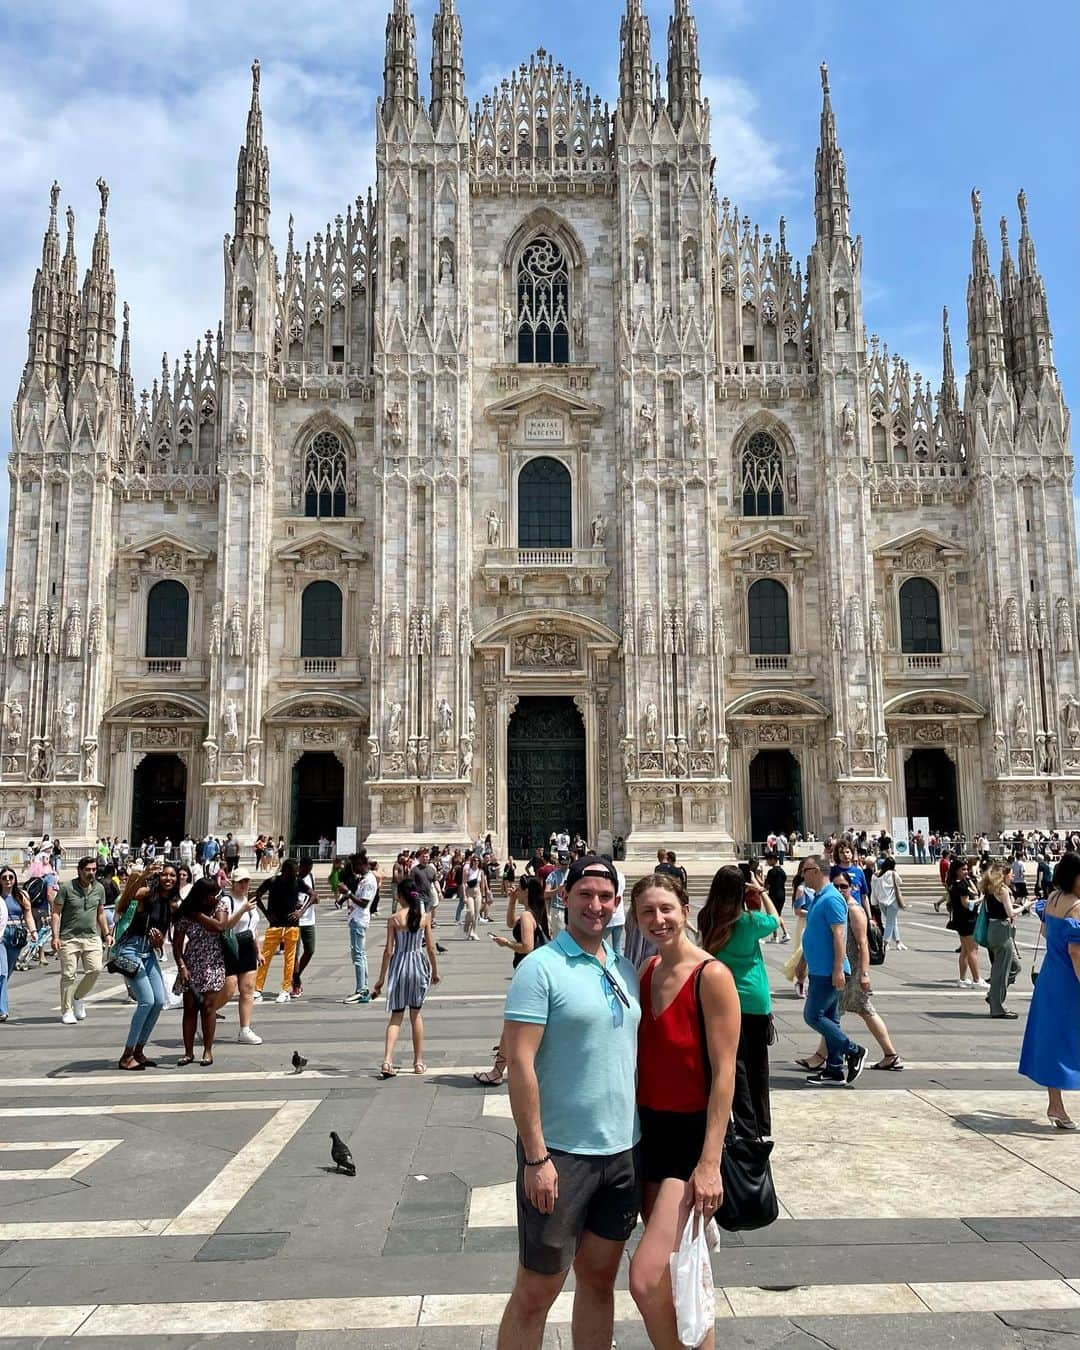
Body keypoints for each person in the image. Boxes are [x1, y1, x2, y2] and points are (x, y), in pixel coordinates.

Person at [496, 857, 640, 1350]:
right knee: (537, 1290)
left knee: (600, 1281)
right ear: (565, 897)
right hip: (560, 1155)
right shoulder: (540, 968)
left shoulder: (624, 968)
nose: (595, 905)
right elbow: (519, 1063)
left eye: (605, 897)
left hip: (621, 1152)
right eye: (585, 894)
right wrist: (536, 1157)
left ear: (617, 905)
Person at [628, 873, 740, 1349]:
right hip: (649, 1138)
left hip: (690, 1145)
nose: (658, 919)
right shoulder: (647, 972)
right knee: (682, 1273)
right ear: (635, 919)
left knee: (646, 1276)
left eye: (666, 909)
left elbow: (726, 1074)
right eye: (648, 912)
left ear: (685, 910)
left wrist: (710, 1163)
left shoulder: (712, 976)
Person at [699, 864, 778, 1139]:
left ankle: (738, 1123)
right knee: (757, 1066)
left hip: (719, 998)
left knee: (730, 1065)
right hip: (754, 1000)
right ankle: (759, 1126)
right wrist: (760, 892)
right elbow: (776, 920)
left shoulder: (706, 917)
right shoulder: (750, 921)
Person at [798, 871, 903, 1073]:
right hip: (839, 968)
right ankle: (826, 1057)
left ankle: (888, 1054)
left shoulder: (853, 910)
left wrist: (864, 973)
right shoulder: (836, 906)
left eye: (843, 887)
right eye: (836, 886)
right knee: (833, 1014)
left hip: (850, 971)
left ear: (852, 888)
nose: (839, 890)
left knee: (859, 1010)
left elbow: (863, 944)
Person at [1019, 852, 1080, 1129]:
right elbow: (1076, 952)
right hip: (1070, 980)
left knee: (1054, 1040)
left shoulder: (1054, 899)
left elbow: (1045, 932)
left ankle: (1055, 1104)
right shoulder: (1077, 906)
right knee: (1069, 1040)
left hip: (1050, 975)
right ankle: (1056, 1106)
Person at [476, 877, 552, 1086]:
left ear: (527, 892)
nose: (516, 891)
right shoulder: (531, 914)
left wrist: (507, 943)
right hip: (531, 974)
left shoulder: (528, 916)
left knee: (513, 1025)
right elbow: (511, 923)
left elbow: (526, 947)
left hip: (528, 976)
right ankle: (500, 1069)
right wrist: (510, 900)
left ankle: (497, 1071)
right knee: (518, 1025)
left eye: (519, 889)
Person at [798, 856, 867, 1086]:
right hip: (820, 969)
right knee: (830, 1019)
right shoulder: (819, 898)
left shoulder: (832, 899)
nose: (802, 874)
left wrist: (838, 968)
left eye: (805, 870)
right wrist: (801, 965)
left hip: (829, 971)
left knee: (812, 1015)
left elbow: (840, 935)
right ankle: (835, 1070)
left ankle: (853, 1050)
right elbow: (814, 935)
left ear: (816, 871)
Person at [172, 878, 253, 1065]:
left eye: (217, 894)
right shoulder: (185, 914)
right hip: (191, 963)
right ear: (201, 896)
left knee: (208, 1007)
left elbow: (220, 926)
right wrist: (181, 966)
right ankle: (188, 1052)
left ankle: (208, 1051)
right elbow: (177, 945)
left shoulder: (220, 905)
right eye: (212, 895)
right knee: (190, 1009)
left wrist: (197, 914)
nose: (216, 898)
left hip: (214, 962)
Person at [372, 879, 440, 1076]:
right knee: (416, 1014)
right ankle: (418, 1063)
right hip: (418, 965)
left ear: (400, 896)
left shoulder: (394, 919)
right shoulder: (424, 917)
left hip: (400, 966)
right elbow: (431, 947)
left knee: (397, 1015)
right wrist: (435, 971)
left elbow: (388, 951)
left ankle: (387, 1061)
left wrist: (381, 979)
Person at [113, 863, 176, 1069]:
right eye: (165, 874)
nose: (168, 878)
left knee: (159, 1001)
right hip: (130, 949)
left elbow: (161, 945)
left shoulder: (171, 904)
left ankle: (139, 1050)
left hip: (148, 953)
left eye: (172, 875)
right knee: (146, 1001)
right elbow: (125, 901)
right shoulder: (148, 893)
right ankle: (126, 1055)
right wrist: (144, 875)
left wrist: (158, 941)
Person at [50, 856, 109, 1025]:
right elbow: (55, 912)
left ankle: (78, 997)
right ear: (80, 870)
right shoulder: (67, 888)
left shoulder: (99, 888)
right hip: (69, 938)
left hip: (91, 937)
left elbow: (101, 913)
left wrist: (107, 933)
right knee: (69, 975)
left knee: (96, 969)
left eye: (94, 869)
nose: (91, 873)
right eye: (88, 870)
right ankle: (67, 1010)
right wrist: (55, 937)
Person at [981, 863, 1027, 1019]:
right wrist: (1025, 905)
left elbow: (1000, 907)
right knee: (1001, 971)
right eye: (1010, 874)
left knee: (1013, 966)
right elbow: (1010, 912)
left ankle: (993, 996)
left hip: (994, 929)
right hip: (1001, 930)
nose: (1013, 876)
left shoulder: (991, 888)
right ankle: (997, 1007)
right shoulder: (1002, 890)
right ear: (1004, 875)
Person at [253, 859, 302, 1003]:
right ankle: (258, 988)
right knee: (265, 957)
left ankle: (286, 989)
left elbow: (314, 896)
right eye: (294, 871)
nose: (296, 873)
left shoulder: (297, 882)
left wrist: (301, 911)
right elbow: (257, 894)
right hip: (275, 925)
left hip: (292, 926)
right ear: (286, 870)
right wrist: (266, 913)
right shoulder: (272, 881)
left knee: (289, 959)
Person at [225, 870, 263, 1044]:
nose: (244, 885)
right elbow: (225, 925)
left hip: (247, 947)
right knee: (228, 990)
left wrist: (258, 951)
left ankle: (245, 1029)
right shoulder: (227, 901)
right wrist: (242, 910)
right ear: (233, 883)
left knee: (247, 989)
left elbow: (254, 928)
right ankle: (206, 1012)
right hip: (231, 946)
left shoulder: (250, 903)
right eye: (240, 882)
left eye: (246, 881)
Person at [0, 866, 38, 1023]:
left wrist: (34, 931)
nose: (8, 880)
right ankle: (3, 1010)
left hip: (16, 935)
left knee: (7, 973)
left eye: (11, 877)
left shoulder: (21, 895)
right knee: (1, 972)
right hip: (1, 934)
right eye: (4, 877)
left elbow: (28, 915)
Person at [946, 858, 986, 988]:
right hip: (967, 919)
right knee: (973, 950)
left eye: (966, 869)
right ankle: (976, 979)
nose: (965, 871)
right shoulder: (961, 885)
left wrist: (970, 880)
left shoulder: (954, 883)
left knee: (964, 950)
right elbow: (967, 904)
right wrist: (980, 900)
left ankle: (962, 978)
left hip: (959, 920)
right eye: (962, 869)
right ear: (956, 871)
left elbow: (974, 891)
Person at [344, 857, 379, 1004]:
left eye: (354, 866)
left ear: (361, 865)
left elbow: (364, 903)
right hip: (355, 918)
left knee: (358, 956)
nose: (353, 869)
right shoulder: (364, 879)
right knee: (360, 955)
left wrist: (347, 893)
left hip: (359, 920)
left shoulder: (370, 880)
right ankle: (363, 988)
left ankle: (361, 990)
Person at [291, 857, 318, 998]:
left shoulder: (311, 876)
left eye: (309, 870)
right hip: (295, 922)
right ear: (300, 867)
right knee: (294, 954)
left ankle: (295, 975)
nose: (307, 872)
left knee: (310, 950)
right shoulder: (292, 878)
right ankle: (296, 983)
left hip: (309, 920)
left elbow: (315, 896)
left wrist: (303, 909)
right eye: (305, 869)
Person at [871, 856, 906, 951]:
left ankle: (898, 941)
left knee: (892, 921)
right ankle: (885, 942)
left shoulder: (876, 875)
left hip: (881, 901)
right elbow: (900, 882)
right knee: (891, 922)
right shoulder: (893, 874)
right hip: (892, 901)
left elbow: (874, 889)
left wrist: (873, 901)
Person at [763, 854, 791, 942]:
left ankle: (784, 933)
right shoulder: (782, 871)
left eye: (768, 860)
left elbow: (767, 885)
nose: (767, 862)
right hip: (782, 895)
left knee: (774, 915)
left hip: (773, 895)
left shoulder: (771, 872)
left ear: (773, 860)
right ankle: (776, 935)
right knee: (777, 914)